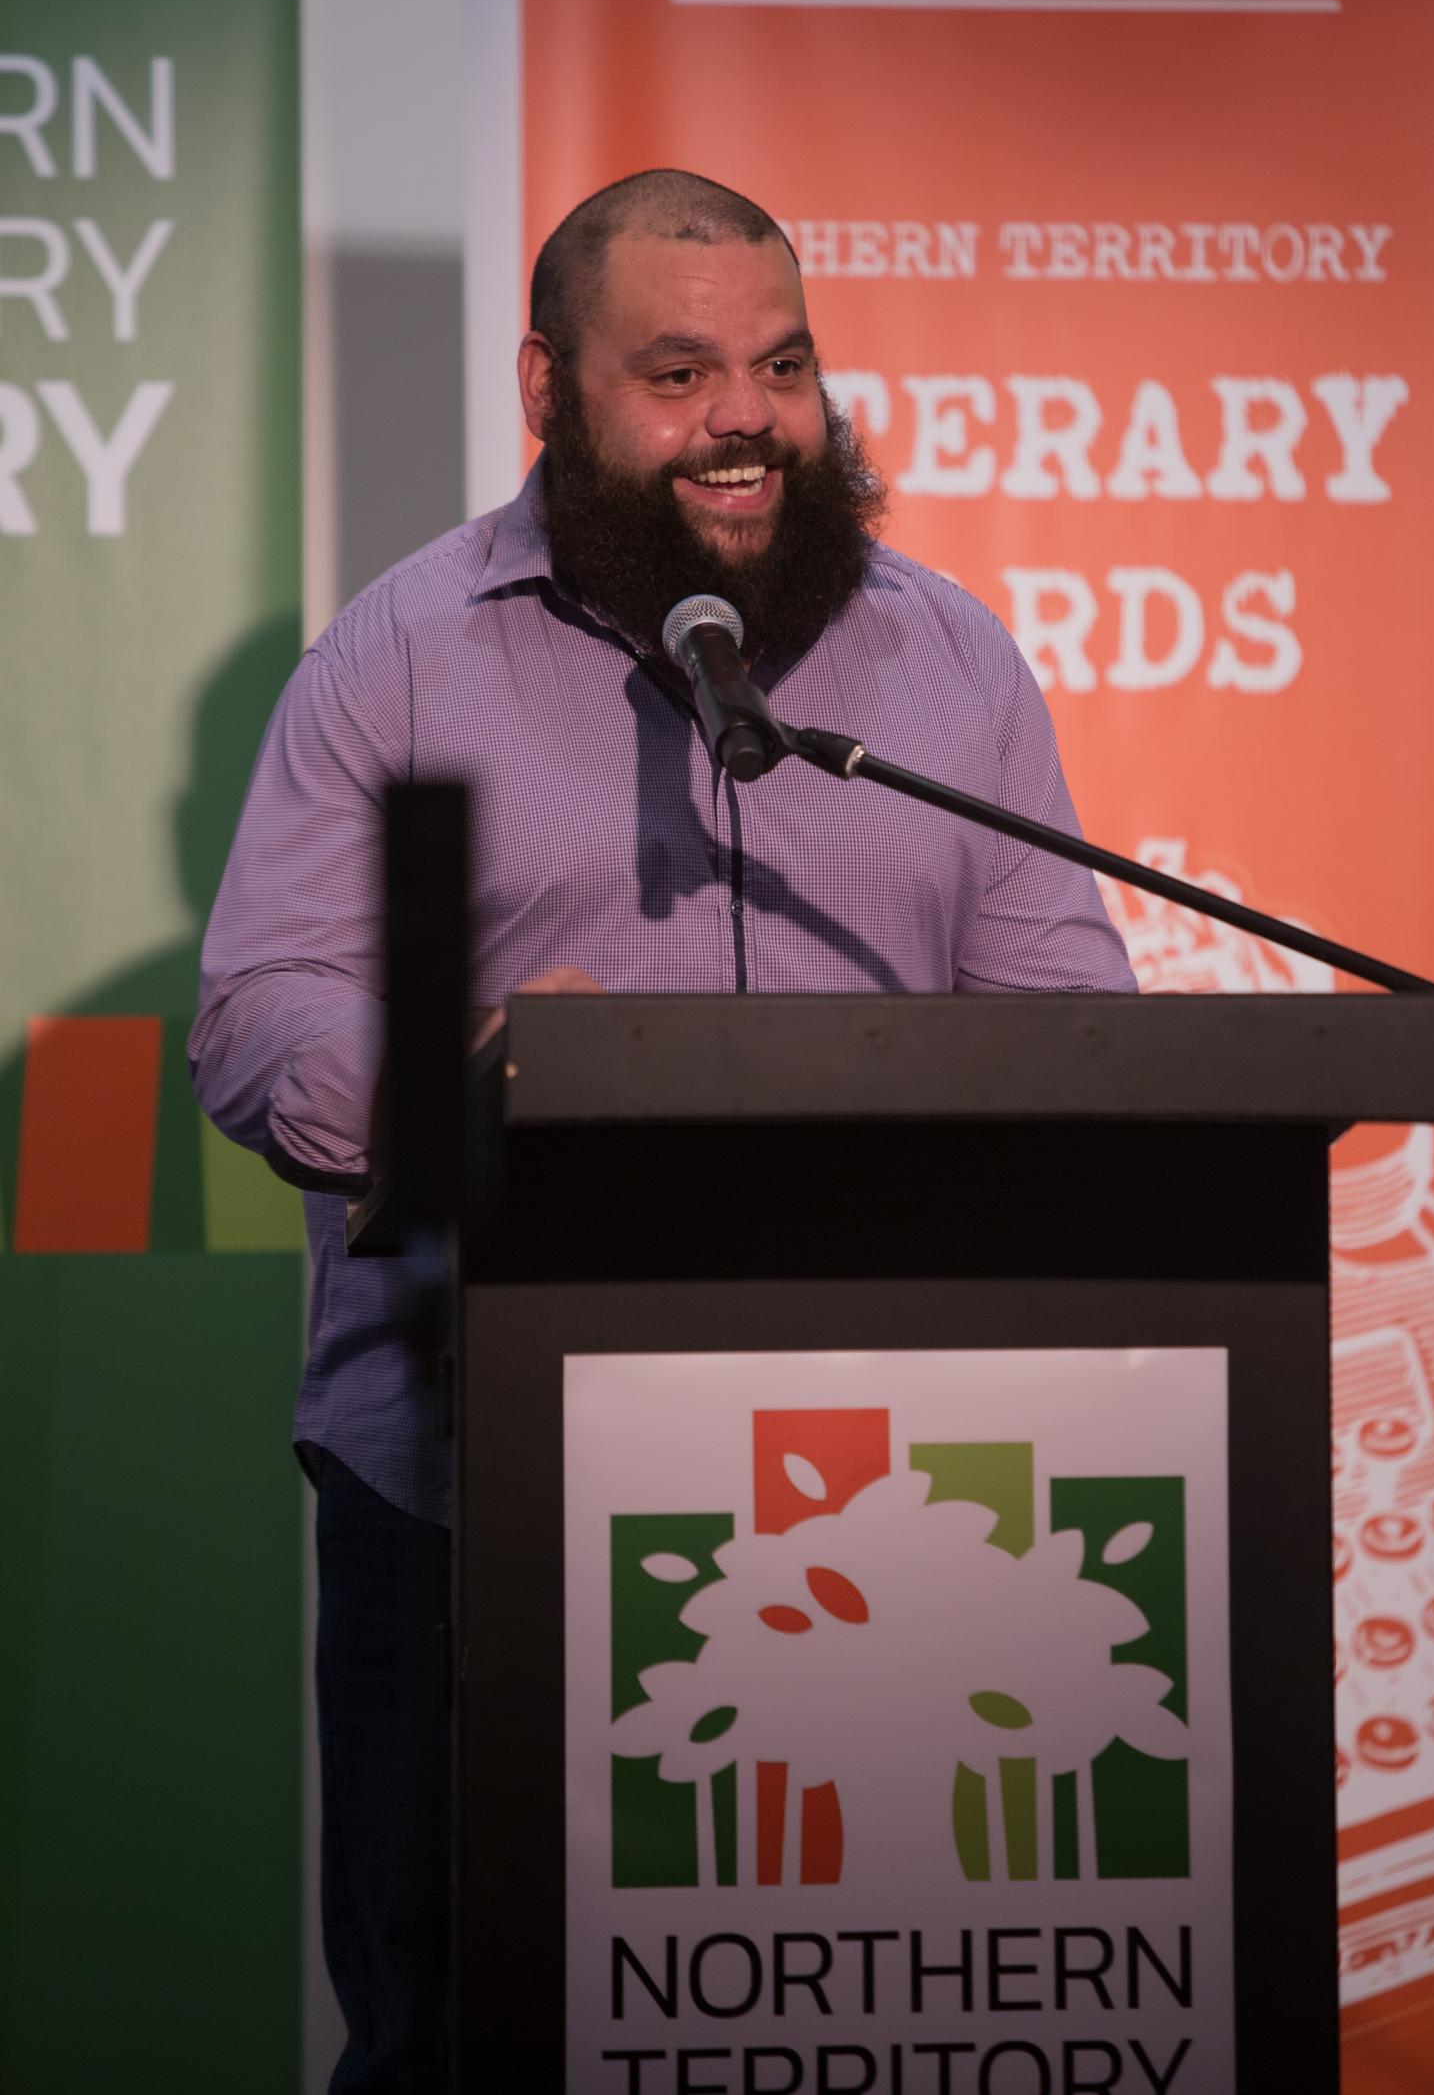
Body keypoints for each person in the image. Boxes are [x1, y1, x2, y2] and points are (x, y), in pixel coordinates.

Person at [190, 168, 1135, 2092]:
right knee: (458, 2036)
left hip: (901, 1502)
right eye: (679, 368)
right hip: (465, 1486)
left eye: (782, 364)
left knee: (859, 2031)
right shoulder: (398, 659)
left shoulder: (944, 659)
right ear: (547, 391)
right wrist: (471, 1070)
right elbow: (257, 1016)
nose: (746, 416)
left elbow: (1069, 1026)